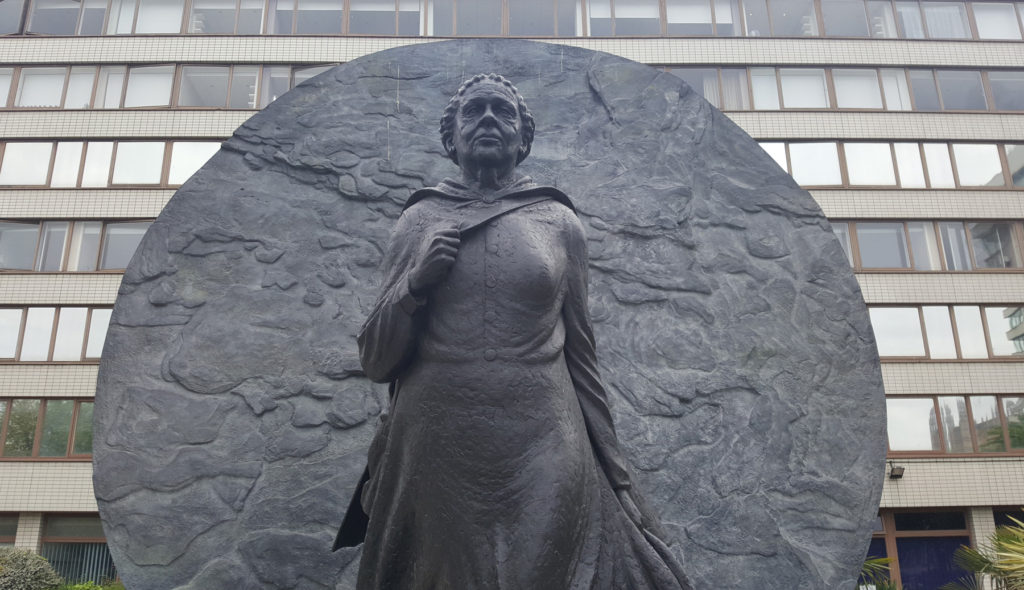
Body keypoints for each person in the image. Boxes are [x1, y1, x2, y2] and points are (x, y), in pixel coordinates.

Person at [335, 73, 691, 590]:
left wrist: (618, 474)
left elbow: (582, 355)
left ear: (523, 139)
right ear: (451, 136)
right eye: (473, 111)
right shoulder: (419, 218)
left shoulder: (558, 220)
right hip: (439, 435)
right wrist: (415, 283)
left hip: (543, 432)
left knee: (542, 569)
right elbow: (375, 359)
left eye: (502, 112)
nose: (486, 120)